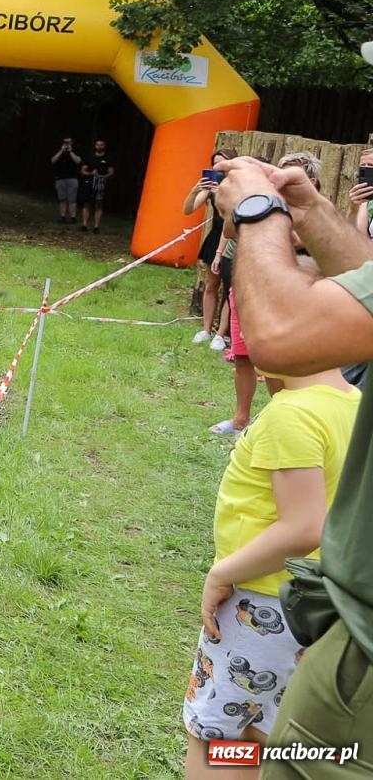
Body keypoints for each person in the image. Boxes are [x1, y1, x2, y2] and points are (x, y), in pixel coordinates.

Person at [210, 151, 373, 767]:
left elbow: (279, 333)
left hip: (359, 653)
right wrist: (312, 213)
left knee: (234, 742)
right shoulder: (341, 400)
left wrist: (258, 210)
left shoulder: (293, 415)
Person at [180, 277, 358, 777]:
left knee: (219, 737)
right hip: (320, 606)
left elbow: (304, 526)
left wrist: (222, 573)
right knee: (266, 734)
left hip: (261, 605)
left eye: (254, 330)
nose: (246, 346)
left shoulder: (292, 416)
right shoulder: (354, 405)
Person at [210, 154, 321, 436]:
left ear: (311, 181)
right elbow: (229, 229)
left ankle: (278, 425)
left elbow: (301, 246)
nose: (278, 183)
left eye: (288, 177)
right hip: (247, 289)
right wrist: (246, 203)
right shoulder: (268, 204)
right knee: (243, 357)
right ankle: (240, 421)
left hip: (283, 296)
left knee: (275, 363)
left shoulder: (315, 213)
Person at [186, 149, 236, 346]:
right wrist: (196, 189)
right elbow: (188, 209)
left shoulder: (236, 187)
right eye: (215, 165)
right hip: (215, 236)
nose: (218, 169)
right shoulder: (210, 186)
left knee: (231, 289)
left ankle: (221, 334)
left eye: (222, 164)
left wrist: (221, 196)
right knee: (211, 285)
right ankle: (206, 330)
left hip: (231, 238)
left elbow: (231, 218)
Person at [78, 138, 115, 233]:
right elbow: (83, 170)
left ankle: (96, 226)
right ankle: (84, 225)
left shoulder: (108, 158)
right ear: (95, 146)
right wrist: (91, 173)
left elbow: (111, 172)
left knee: (99, 204)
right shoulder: (90, 157)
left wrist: (103, 176)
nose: (99, 146)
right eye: (97, 145)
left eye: (101, 145)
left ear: (104, 146)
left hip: (101, 184)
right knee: (86, 203)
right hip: (89, 183)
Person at [51, 137, 82, 223]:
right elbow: (53, 160)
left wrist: (70, 151)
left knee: (72, 199)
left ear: (72, 142)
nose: (67, 143)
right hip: (60, 178)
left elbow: (78, 161)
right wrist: (61, 151)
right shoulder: (59, 150)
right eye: (65, 142)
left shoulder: (75, 150)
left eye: (69, 142)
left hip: (72, 178)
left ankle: (73, 217)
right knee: (62, 199)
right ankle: (62, 216)